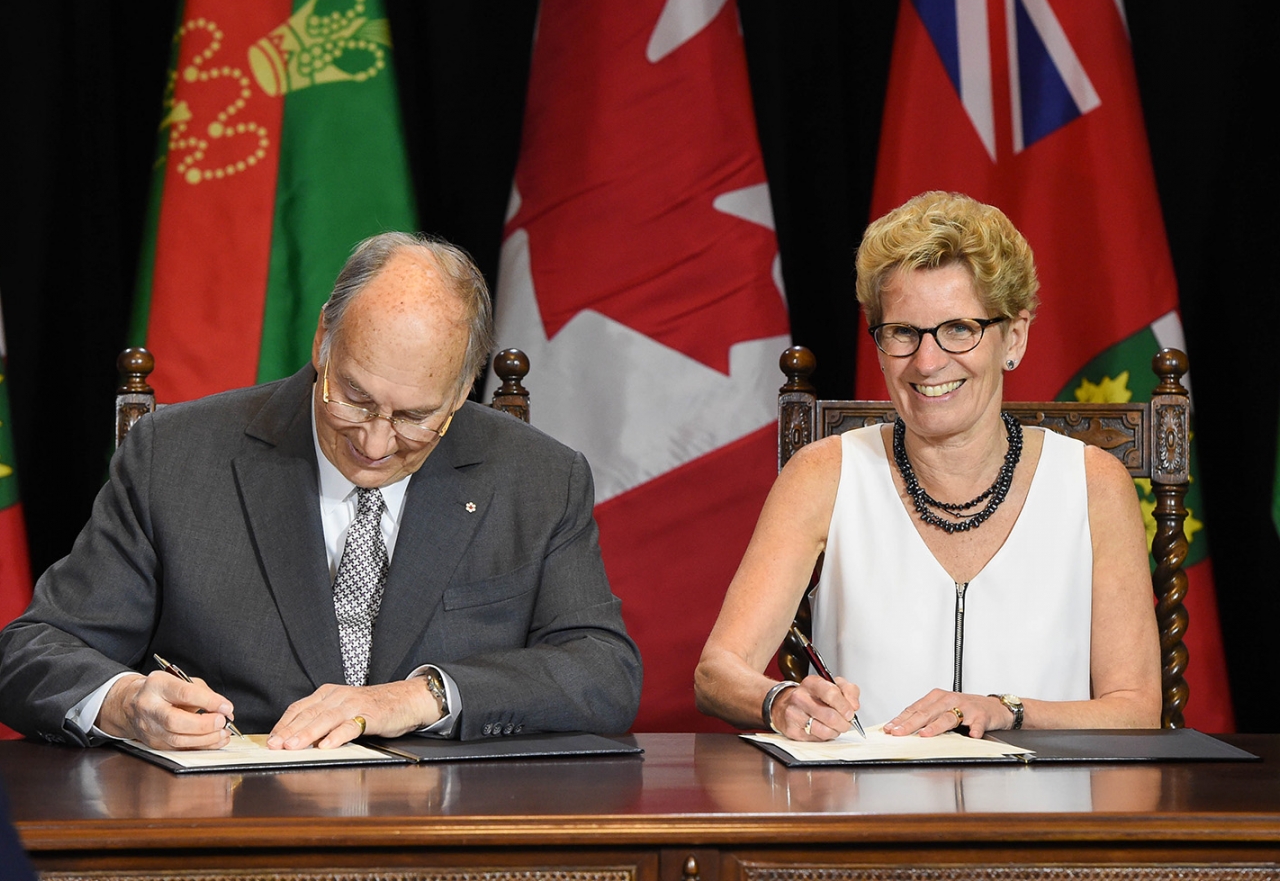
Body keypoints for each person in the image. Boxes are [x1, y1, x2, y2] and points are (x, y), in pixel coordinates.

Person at [0, 232, 642, 750]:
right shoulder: (176, 456)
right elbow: (34, 653)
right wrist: (122, 703)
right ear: (322, 341)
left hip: (450, 832)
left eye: (417, 417)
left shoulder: (536, 477)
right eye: (354, 398)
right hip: (234, 832)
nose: (375, 443)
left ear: (465, 386)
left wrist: (419, 696)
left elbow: (602, 672)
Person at [694, 191, 1160, 741]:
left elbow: (1135, 709)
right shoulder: (822, 474)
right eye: (903, 333)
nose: (928, 361)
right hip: (867, 815)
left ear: (1014, 336)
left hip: (1044, 815)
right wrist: (779, 699)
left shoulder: (1093, 483)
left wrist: (1002, 709)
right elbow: (716, 672)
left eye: (959, 328)